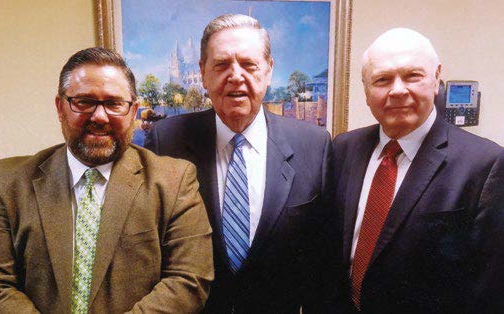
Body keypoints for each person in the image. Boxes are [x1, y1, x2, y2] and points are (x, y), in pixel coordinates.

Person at [0, 47, 214, 313]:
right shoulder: (7, 182)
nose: (99, 116)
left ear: (133, 110)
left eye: (113, 103)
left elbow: (189, 281)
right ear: (60, 108)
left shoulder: (175, 181)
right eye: (84, 102)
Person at [145, 14, 341, 313]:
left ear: (269, 70)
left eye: (249, 64)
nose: (236, 76)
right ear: (203, 72)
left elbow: (323, 267)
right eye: (222, 65)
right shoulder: (166, 141)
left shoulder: (314, 145)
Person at [331, 28, 503, 313]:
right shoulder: (344, 149)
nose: (398, 90)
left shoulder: (486, 165)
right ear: (366, 91)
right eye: (382, 79)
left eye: (412, 76)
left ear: (437, 79)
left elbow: (488, 290)